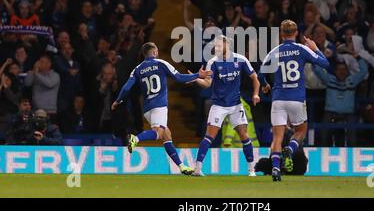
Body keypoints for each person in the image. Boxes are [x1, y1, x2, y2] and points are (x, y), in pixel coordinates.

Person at [111, 42, 211, 175]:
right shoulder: (161, 63)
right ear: (154, 52)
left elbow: (126, 88)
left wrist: (117, 101)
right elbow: (179, 77)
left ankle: (182, 167)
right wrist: (198, 75)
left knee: (166, 135)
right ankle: (136, 139)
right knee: (158, 133)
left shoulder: (137, 69)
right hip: (160, 105)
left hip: (146, 109)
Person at [258, 20, 329, 181]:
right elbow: (325, 63)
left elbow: (260, 73)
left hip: (278, 99)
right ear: (296, 33)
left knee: (277, 137)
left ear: (282, 34)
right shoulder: (301, 49)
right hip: (297, 99)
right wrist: (316, 48)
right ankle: (290, 149)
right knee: (300, 131)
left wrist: (265, 85)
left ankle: (276, 169)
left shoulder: (275, 51)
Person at [190, 35, 261, 177]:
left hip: (235, 105)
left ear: (227, 45)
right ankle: (197, 169)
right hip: (219, 105)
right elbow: (208, 83)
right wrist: (196, 79)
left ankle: (251, 170)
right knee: (209, 136)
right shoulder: (212, 62)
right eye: (215, 46)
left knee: (244, 136)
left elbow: (255, 78)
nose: (215, 48)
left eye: (218, 45)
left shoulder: (241, 59)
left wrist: (256, 94)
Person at [313, 59, 368, 147]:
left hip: (348, 114)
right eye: (339, 69)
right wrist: (318, 55)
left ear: (347, 71)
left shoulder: (352, 80)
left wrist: (358, 57)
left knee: (352, 138)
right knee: (323, 135)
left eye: (344, 69)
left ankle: (351, 154)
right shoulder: (329, 79)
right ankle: (324, 152)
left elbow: (364, 71)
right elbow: (317, 69)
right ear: (335, 71)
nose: (341, 72)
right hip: (330, 112)